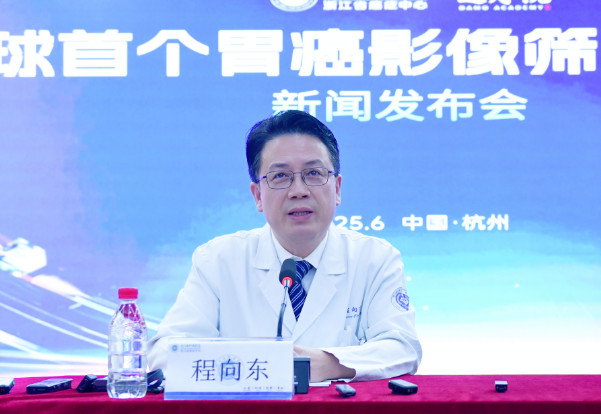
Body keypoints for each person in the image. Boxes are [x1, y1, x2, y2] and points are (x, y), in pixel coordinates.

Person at [147, 110, 422, 382]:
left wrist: (330, 363)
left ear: (337, 189)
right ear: (257, 195)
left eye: (313, 173)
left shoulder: (375, 259)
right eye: (280, 176)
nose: (299, 191)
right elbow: (164, 354)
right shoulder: (218, 261)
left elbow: (403, 348)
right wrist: (262, 365)